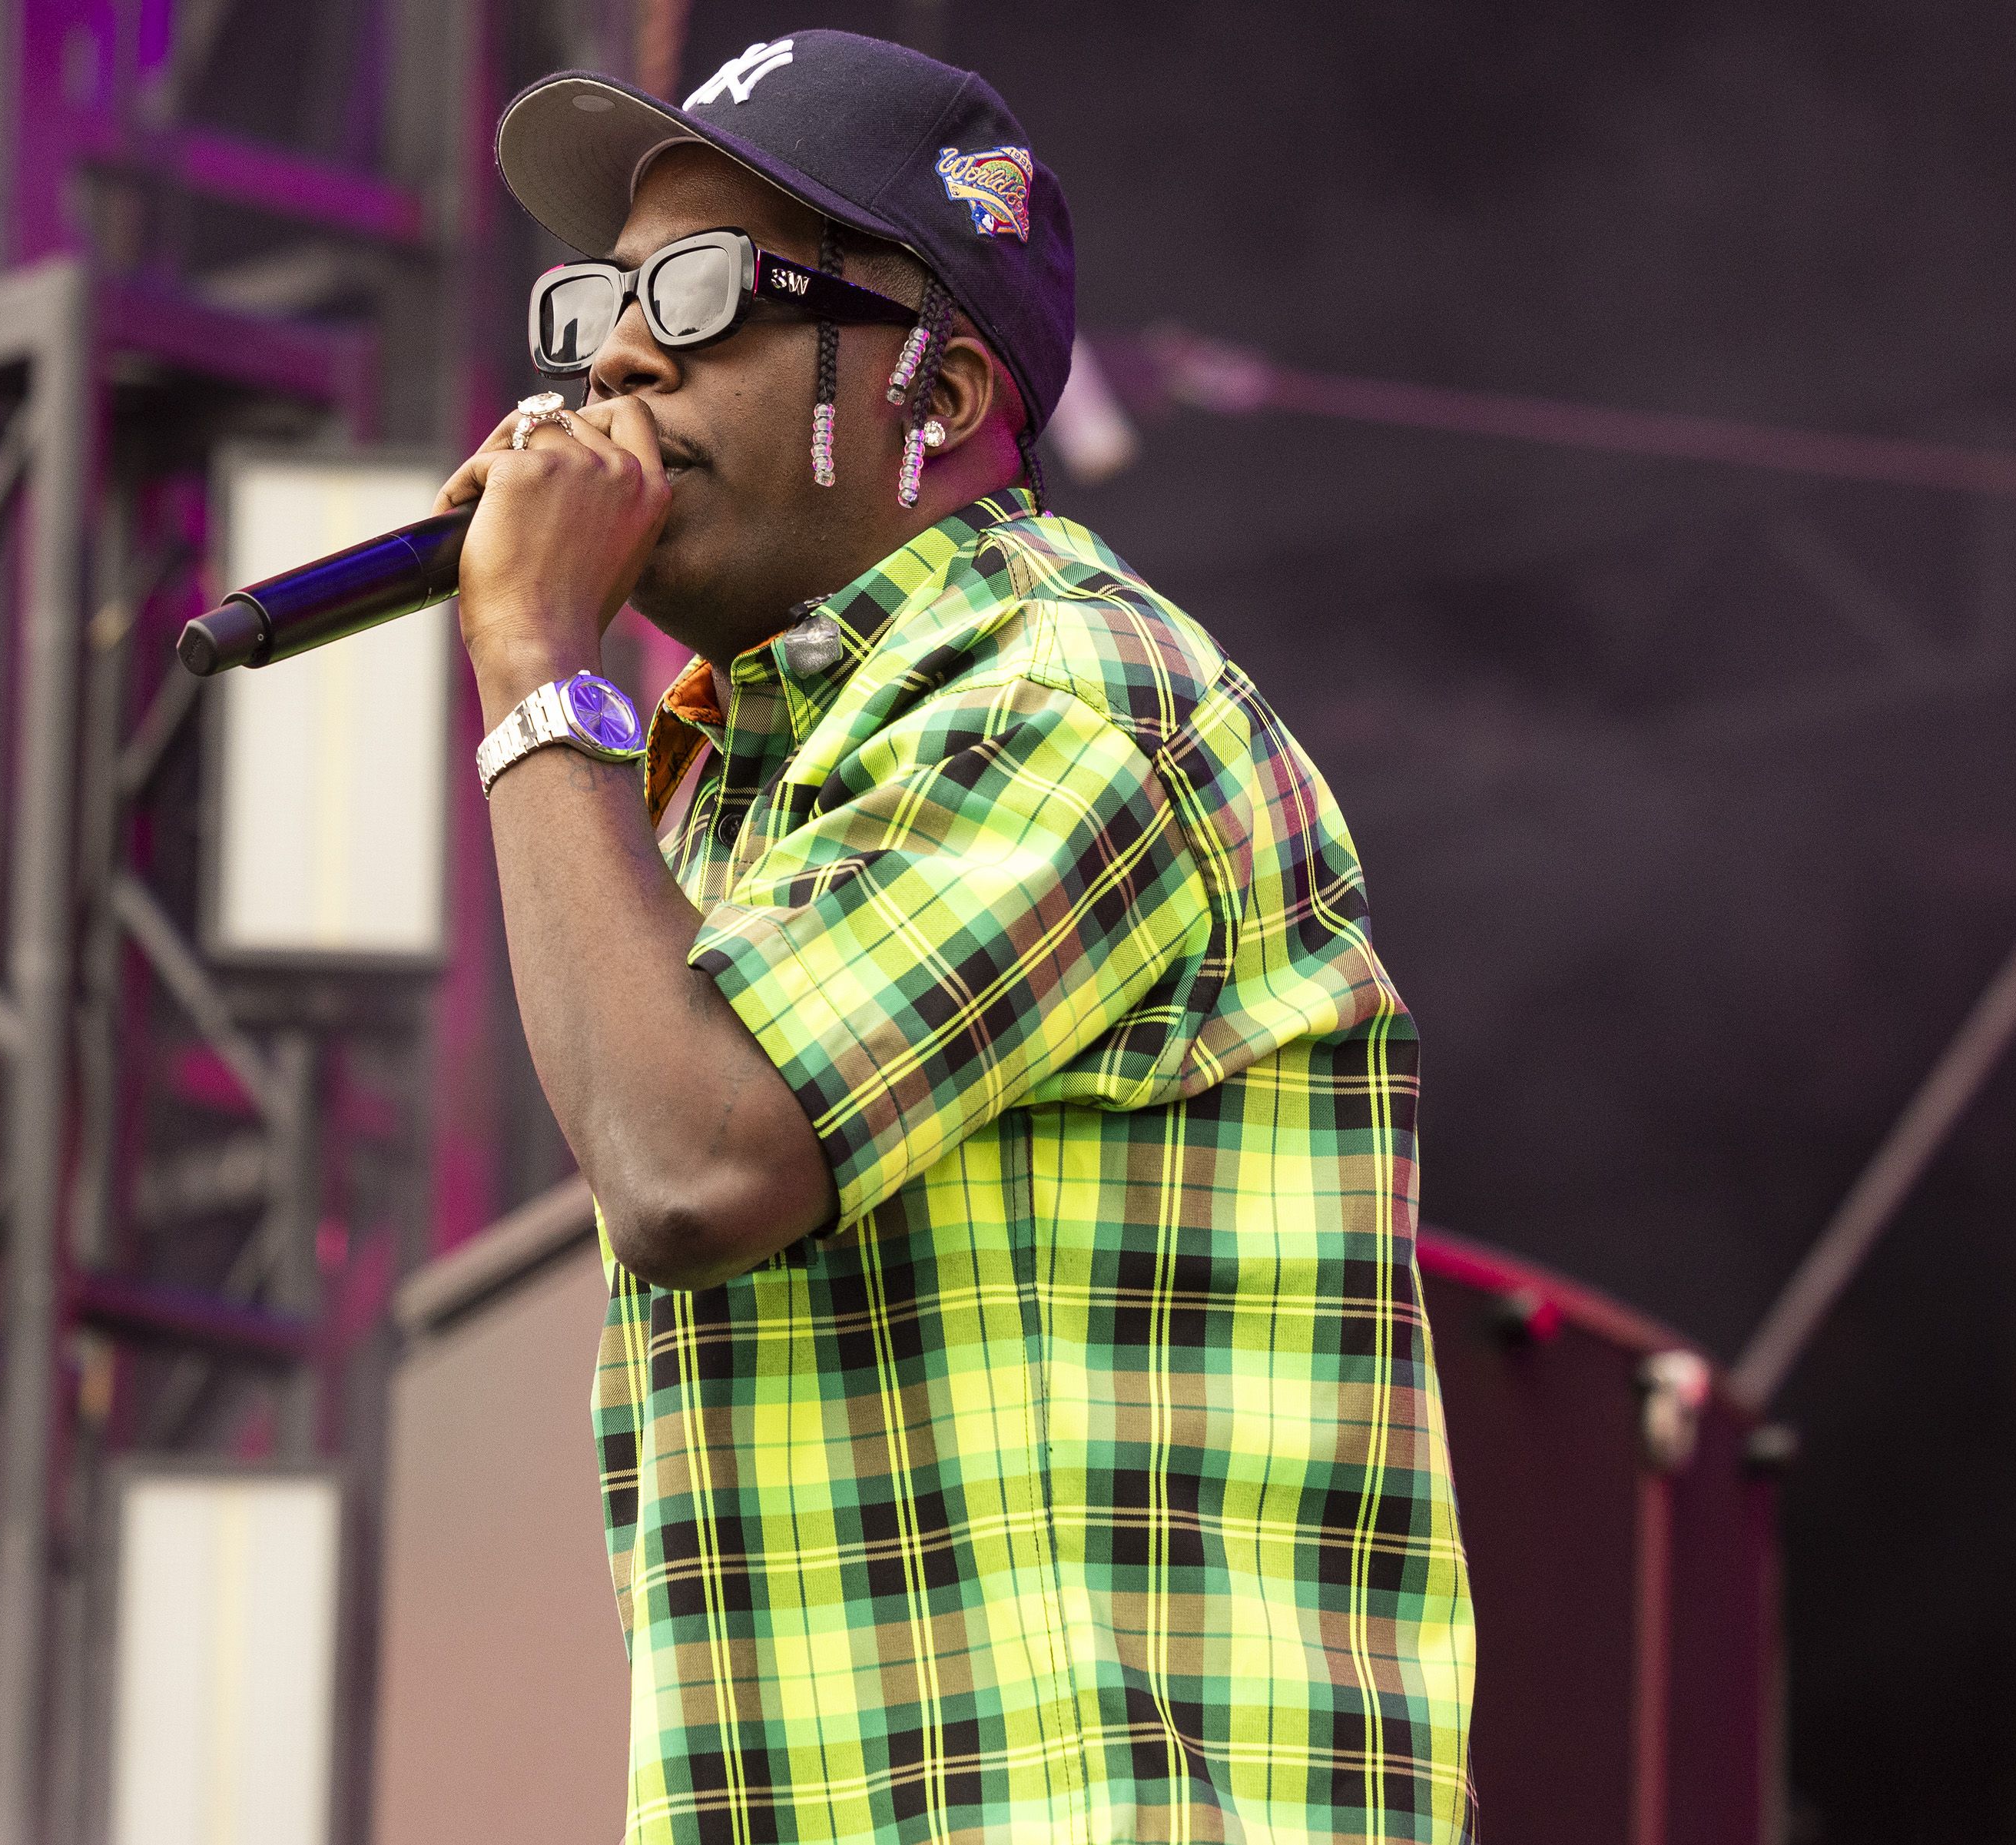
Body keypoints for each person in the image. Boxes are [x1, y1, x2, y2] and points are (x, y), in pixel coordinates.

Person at [439, 28, 1476, 1843]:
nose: (615, 351)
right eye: (599, 297)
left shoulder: (1065, 694)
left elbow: (691, 1164)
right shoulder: (737, 780)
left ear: (936, 390)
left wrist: (534, 670)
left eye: (699, 290)